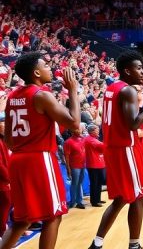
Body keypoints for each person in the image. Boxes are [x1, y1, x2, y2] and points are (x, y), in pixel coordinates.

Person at [88, 50, 143, 249]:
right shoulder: (128, 91)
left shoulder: (111, 88)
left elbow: (122, 120)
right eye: (138, 68)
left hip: (114, 148)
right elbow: (133, 124)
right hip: (126, 149)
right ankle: (133, 245)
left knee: (121, 198)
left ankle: (98, 244)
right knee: (137, 196)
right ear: (126, 70)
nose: (142, 72)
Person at [0, 55, 81, 249]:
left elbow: (8, 140)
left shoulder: (13, 96)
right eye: (45, 66)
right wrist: (72, 90)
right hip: (39, 158)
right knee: (53, 216)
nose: (50, 68)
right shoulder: (42, 95)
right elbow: (75, 123)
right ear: (36, 73)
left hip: (17, 160)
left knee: (22, 219)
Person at [63, 126, 87, 209]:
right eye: (77, 129)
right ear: (72, 131)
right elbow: (66, 157)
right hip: (74, 166)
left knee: (79, 183)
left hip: (82, 165)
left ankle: (79, 201)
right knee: (74, 183)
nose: (80, 130)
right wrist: (68, 168)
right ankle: (73, 202)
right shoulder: (68, 142)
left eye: (80, 129)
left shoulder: (83, 139)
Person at [84, 124, 106, 207]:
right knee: (95, 183)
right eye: (97, 130)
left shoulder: (93, 139)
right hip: (94, 164)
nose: (98, 132)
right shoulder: (90, 139)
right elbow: (103, 147)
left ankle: (97, 199)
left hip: (97, 164)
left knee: (98, 183)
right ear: (92, 131)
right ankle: (94, 201)